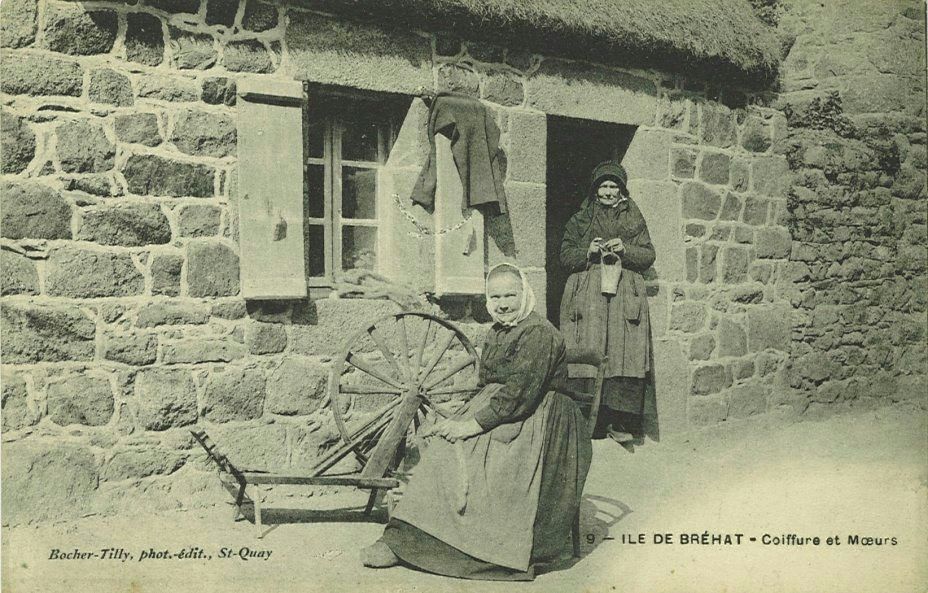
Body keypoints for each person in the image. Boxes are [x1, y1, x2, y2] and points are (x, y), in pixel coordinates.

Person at [361, 263, 592, 580]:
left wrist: (469, 426)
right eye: (495, 296)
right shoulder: (498, 331)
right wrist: (459, 416)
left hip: (543, 420)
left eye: (510, 294)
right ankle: (404, 539)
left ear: (525, 293)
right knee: (443, 445)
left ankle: (454, 547)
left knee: (481, 460)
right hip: (506, 408)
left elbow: (520, 393)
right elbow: (486, 384)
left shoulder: (539, 333)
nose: (503, 303)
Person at [559, 161, 656, 443]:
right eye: (604, 186)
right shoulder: (580, 220)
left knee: (624, 353)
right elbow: (565, 255)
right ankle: (589, 420)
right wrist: (587, 251)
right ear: (595, 189)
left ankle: (620, 422)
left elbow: (649, 255)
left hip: (625, 293)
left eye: (614, 186)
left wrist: (625, 249)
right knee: (589, 348)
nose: (609, 192)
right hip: (589, 294)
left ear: (621, 190)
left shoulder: (633, 218)